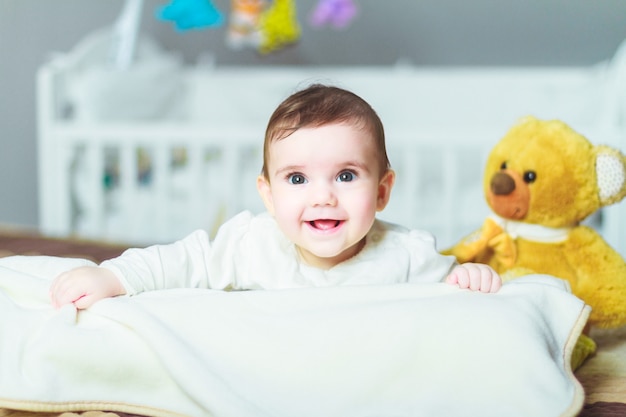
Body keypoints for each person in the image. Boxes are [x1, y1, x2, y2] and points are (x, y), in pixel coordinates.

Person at [49, 84, 501, 310]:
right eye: (298, 179)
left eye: (346, 175)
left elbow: (453, 307)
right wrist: (113, 278)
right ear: (267, 194)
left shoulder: (409, 256)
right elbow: (180, 261)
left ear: (382, 192)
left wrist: (469, 280)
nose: (323, 196)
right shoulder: (250, 244)